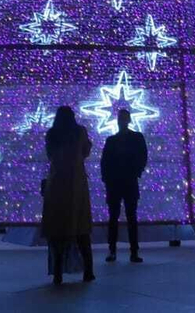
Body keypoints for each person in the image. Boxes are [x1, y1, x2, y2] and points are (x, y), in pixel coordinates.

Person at [42, 106, 94, 286]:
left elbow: (49, 155)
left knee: (57, 229)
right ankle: (88, 270)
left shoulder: (52, 134)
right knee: (81, 228)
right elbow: (86, 152)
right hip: (76, 184)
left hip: (57, 183)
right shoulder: (79, 132)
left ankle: (58, 273)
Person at [100, 107, 148, 264]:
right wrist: (107, 179)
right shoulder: (113, 140)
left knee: (128, 217)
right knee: (117, 217)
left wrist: (136, 172)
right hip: (118, 182)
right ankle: (116, 250)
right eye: (121, 118)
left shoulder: (133, 138)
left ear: (127, 120)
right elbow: (104, 162)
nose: (122, 121)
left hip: (126, 181)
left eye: (124, 118)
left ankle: (131, 251)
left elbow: (143, 156)